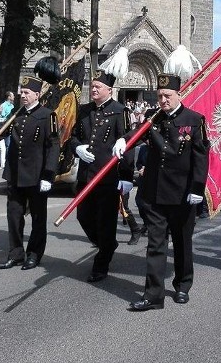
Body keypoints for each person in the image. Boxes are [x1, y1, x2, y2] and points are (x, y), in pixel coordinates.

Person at [118, 73, 209, 311]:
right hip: (155, 193)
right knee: (156, 244)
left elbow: (201, 156)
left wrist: (197, 188)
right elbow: (137, 134)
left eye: (167, 95)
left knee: (181, 243)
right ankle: (153, 295)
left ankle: (182, 285)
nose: (163, 100)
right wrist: (123, 140)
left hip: (182, 194)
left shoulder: (194, 119)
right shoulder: (152, 117)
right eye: (159, 95)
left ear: (179, 94)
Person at [0, 76, 60, 270]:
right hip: (15, 174)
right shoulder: (16, 114)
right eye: (22, 92)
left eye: (27, 93)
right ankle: (16, 253)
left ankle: (34, 254)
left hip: (36, 176)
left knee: (37, 218)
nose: (23, 96)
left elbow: (53, 146)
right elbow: (0, 130)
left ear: (37, 94)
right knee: (14, 215)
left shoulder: (47, 115)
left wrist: (48, 175)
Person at [68, 69, 134, 282]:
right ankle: (107, 244)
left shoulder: (119, 111)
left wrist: (126, 176)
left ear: (109, 90)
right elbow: (73, 137)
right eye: (93, 86)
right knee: (83, 216)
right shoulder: (84, 110)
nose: (94, 89)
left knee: (105, 222)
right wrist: (77, 148)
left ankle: (101, 265)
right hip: (86, 176)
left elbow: (127, 144)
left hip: (107, 178)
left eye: (98, 86)